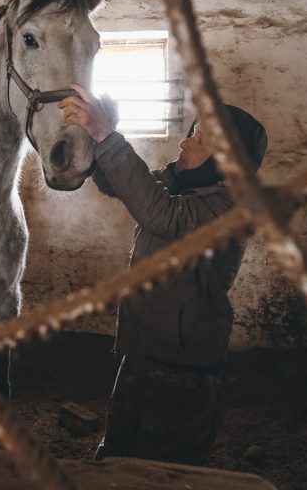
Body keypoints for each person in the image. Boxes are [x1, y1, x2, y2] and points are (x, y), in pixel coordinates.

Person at [59, 83, 267, 466]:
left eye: (199, 140)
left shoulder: (230, 205)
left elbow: (159, 214)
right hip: (143, 349)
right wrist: (94, 140)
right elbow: (126, 188)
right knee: (119, 451)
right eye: (190, 133)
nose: (185, 144)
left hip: (182, 365)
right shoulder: (183, 186)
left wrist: (107, 135)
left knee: (169, 466)